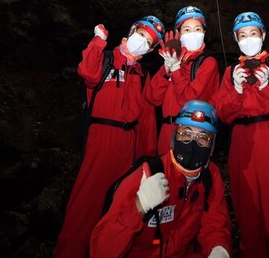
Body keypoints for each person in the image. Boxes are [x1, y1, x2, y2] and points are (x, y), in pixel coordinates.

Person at [53, 15, 165, 258]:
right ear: (132, 30)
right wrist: (98, 40)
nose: (143, 43)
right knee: (83, 209)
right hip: (100, 141)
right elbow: (87, 73)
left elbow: (145, 121)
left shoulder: (141, 74)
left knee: (118, 213)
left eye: (149, 42)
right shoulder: (105, 60)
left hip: (129, 148)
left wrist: (147, 162)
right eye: (142, 35)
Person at [90, 100, 232, 258]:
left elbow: (215, 223)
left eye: (202, 138)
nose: (193, 142)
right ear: (174, 137)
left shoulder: (209, 176)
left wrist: (219, 248)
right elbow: (100, 251)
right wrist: (139, 205)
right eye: (186, 134)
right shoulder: (148, 173)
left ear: (211, 145)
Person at [213, 11, 269, 258]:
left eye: (253, 33)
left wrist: (266, 89)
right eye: (243, 35)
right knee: (248, 214)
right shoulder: (230, 72)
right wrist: (237, 91)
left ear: (263, 35)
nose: (248, 39)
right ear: (236, 39)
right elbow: (222, 113)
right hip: (241, 142)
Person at [146, 5, 221, 152]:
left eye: (198, 29)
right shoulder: (173, 59)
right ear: (178, 34)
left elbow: (190, 99)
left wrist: (175, 70)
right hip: (166, 132)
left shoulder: (208, 63)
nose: (193, 33)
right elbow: (152, 97)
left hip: (193, 134)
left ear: (204, 32)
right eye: (187, 29)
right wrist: (166, 69)